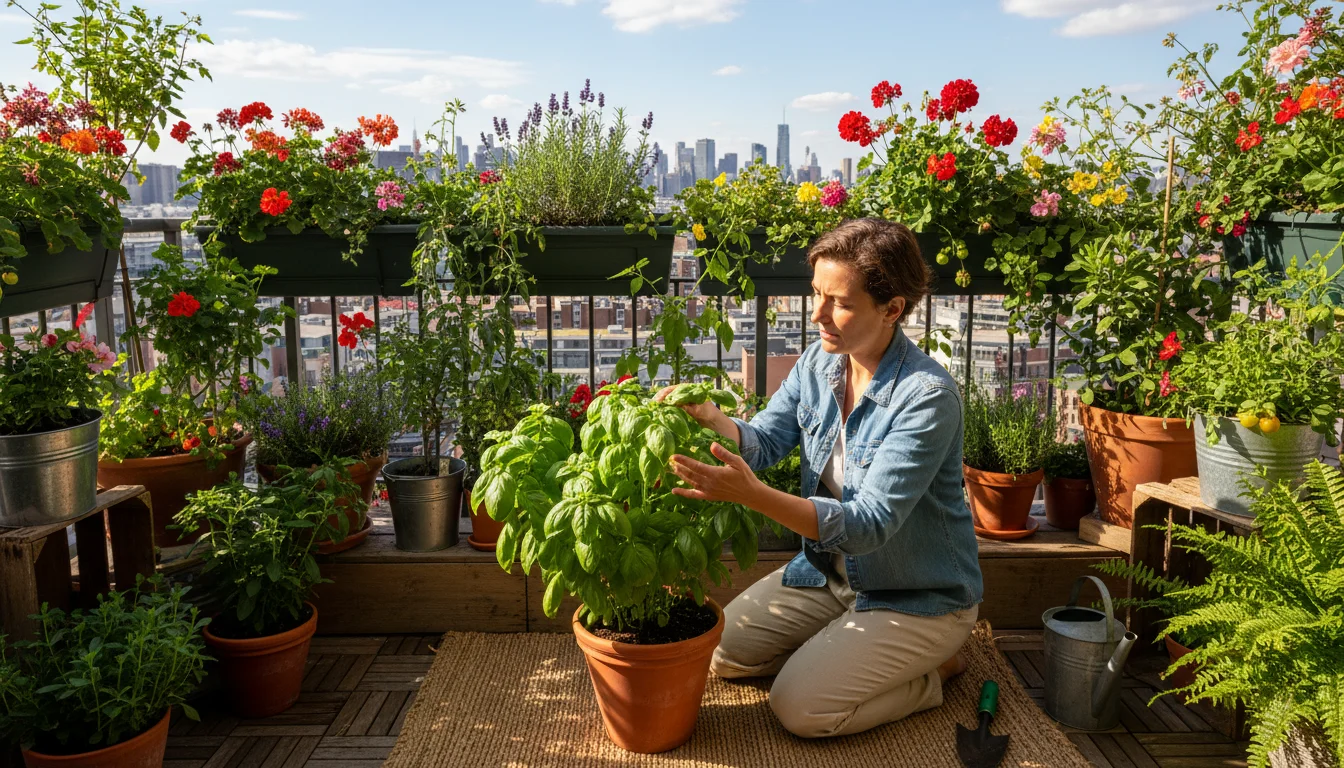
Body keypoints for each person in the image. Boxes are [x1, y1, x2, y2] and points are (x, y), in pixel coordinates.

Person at [657, 217, 983, 739]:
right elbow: (762, 442)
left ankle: (935, 673)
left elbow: (868, 525)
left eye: (840, 302)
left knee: (800, 709)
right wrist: (713, 418)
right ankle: (842, 650)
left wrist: (754, 497)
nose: (818, 315)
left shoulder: (926, 398)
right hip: (830, 578)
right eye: (816, 294)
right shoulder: (819, 363)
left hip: (917, 597)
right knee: (723, 654)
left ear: (893, 309)